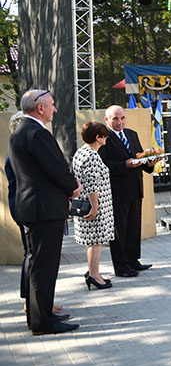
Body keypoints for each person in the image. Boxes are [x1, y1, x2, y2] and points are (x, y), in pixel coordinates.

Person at [9, 89, 82, 335]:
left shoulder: (21, 131)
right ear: (40, 108)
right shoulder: (36, 133)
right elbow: (56, 168)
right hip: (43, 210)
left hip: (35, 208)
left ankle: (41, 314)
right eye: (52, 104)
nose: (55, 109)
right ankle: (43, 322)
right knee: (44, 266)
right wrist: (73, 187)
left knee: (37, 263)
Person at [99, 105, 156, 278]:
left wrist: (149, 163)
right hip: (117, 192)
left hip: (135, 189)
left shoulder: (131, 134)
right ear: (107, 120)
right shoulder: (103, 138)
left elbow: (139, 160)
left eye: (122, 118)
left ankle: (133, 260)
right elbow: (104, 165)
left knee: (133, 227)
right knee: (119, 230)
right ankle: (121, 266)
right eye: (115, 119)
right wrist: (125, 164)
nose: (120, 122)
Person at [72, 122, 114, 290]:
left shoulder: (81, 152)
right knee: (95, 242)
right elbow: (91, 185)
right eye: (105, 136)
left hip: (85, 203)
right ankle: (94, 275)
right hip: (92, 206)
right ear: (98, 137)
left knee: (93, 242)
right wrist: (95, 207)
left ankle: (94, 272)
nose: (106, 139)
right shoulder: (91, 156)